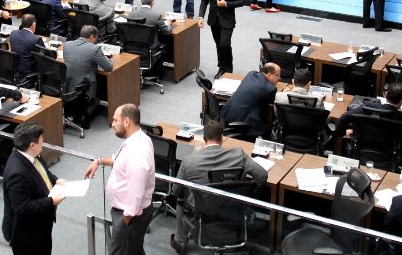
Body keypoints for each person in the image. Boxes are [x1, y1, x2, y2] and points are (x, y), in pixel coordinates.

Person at [169, 120, 267, 254]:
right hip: (232, 209)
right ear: (221, 139)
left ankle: (181, 242)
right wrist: (249, 197)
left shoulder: (189, 161)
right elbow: (262, 176)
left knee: (181, 202)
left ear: (204, 139)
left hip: (202, 210)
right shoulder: (239, 155)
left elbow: (176, 191)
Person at [84, 104, 154, 255]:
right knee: (134, 250)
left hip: (130, 216)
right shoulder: (138, 139)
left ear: (127, 122)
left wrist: (124, 221)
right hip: (128, 215)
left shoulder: (137, 153)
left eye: (116, 120)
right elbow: (119, 159)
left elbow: (135, 193)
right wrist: (99, 160)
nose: (112, 124)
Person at [2, 122, 65, 255]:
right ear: (32, 145)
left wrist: (55, 180)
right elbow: (22, 207)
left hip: (40, 225)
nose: (43, 142)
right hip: (27, 234)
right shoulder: (17, 173)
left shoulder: (32, 155)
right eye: (41, 140)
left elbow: (43, 172)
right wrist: (51, 201)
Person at [198, 0, 245, 79]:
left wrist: (226, 4)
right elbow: (205, 0)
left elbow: (241, 2)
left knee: (225, 44)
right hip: (214, 20)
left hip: (227, 21)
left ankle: (228, 69)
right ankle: (221, 67)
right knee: (218, 45)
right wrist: (200, 17)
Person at [63, 25, 113, 127]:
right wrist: (106, 59)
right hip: (83, 88)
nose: (96, 41)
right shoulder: (94, 49)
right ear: (91, 37)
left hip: (66, 86)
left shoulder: (67, 45)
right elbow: (109, 67)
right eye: (96, 38)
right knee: (99, 95)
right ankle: (84, 115)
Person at [220, 63, 279, 138]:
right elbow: (275, 101)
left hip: (227, 114)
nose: (279, 78)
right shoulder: (270, 89)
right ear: (270, 75)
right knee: (268, 130)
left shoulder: (251, 74)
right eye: (278, 75)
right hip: (244, 121)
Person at [334, 84, 402, 139]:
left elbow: (344, 117)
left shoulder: (368, 107)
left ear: (385, 94)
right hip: (389, 151)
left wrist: (343, 132)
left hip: (363, 146)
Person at [9, 14, 45, 80]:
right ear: (33, 24)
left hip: (14, 69)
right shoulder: (36, 39)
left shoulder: (13, 33)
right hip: (28, 72)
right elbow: (46, 56)